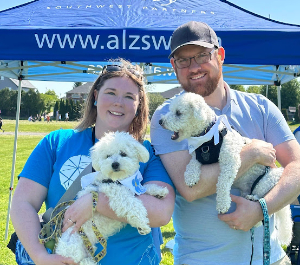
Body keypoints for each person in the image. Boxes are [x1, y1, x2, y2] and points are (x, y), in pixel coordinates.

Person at [150, 21, 300, 265]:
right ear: (174, 66)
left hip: (270, 258)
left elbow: (297, 166)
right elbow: (191, 188)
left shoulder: (260, 107)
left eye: (201, 55)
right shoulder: (167, 118)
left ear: (220, 55)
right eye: (183, 60)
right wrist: (249, 154)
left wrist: (261, 209)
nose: (193, 67)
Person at [10, 59, 175, 265]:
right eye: (111, 92)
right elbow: (23, 203)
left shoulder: (148, 152)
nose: (119, 102)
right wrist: (40, 256)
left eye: (129, 96)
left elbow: (162, 213)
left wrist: (96, 202)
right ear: (96, 96)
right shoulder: (56, 142)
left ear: (139, 104)